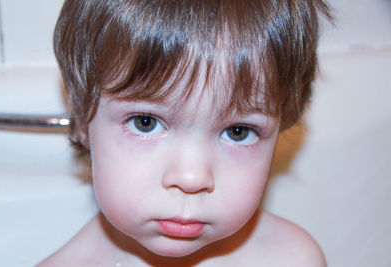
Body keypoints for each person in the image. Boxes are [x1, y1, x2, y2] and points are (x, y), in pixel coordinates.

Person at [39, 0, 332, 265]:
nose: (191, 178)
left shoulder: (291, 260)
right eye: (145, 122)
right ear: (82, 125)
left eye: (239, 131)